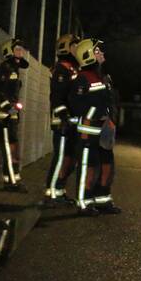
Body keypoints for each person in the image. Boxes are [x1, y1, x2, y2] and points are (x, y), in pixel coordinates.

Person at [69, 37, 121, 216]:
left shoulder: (102, 77)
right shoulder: (82, 78)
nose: (102, 53)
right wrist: (98, 115)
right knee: (88, 168)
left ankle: (103, 201)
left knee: (107, 166)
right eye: (98, 51)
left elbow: (109, 102)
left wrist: (111, 120)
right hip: (89, 133)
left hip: (103, 132)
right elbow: (77, 106)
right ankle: (84, 203)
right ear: (88, 55)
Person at [43, 33, 80, 206]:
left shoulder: (74, 68)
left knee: (70, 159)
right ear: (65, 48)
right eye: (74, 46)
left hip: (72, 122)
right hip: (63, 123)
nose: (78, 49)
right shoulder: (62, 69)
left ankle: (59, 190)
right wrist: (64, 116)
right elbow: (57, 97)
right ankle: (51, 194)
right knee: (61, 158)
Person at [0, 37, 30, 191]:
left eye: (22, 49)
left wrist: (14, 112)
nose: (21, 52)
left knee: (12, 148)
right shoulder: (6, 68)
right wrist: (10, 110)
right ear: (9, 51)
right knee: (9, 149)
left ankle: (10, 180)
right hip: (4, 116)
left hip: (10, 115)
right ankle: (12, 183)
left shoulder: (13, 68)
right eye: (17, 49)